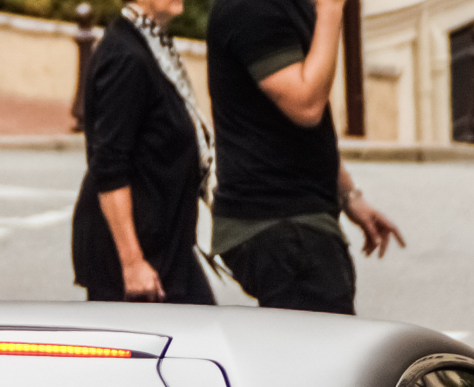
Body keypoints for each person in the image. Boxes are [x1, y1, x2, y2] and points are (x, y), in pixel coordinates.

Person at [206, 0, 403, 314]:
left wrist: (349, 195)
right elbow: (306, 105)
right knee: (323, 355)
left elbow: (305, 127)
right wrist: (331, 11)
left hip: (295, 222)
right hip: (278, 225)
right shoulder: (252, 9)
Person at [70, 0, 215, 304]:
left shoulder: (151, 44)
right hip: (137, 256)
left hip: (167, 247)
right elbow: (109, 166)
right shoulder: (126, 56)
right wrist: (133, 262)